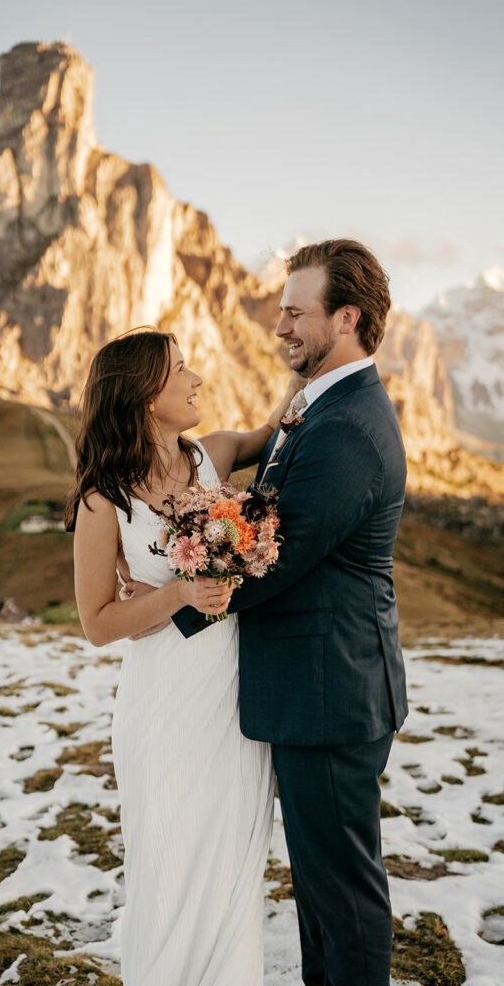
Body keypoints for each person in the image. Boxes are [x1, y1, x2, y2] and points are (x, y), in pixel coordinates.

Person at [129, 240, 409, 986]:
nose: (278, 325)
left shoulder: (347, 427)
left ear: (346, 318)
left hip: (331, 692)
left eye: (295, 311)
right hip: (313, 689)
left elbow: (277, 557)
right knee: (321, 888)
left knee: (342, 893)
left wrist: (168, 611)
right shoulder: (319, 406)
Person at [64, 329, 304, 986]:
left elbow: (274, 428)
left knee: (230, 864)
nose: (197, 378)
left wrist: (310, 363)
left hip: (229, 703)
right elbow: (98, 624)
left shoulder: (209, 456)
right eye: (181, 370)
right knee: (168, 868)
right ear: (146, 398)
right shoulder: (102, 500)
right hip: (162, 709)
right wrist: (177, 593)